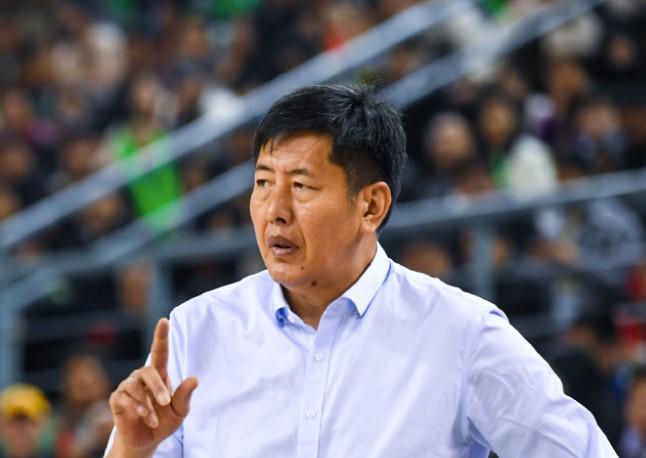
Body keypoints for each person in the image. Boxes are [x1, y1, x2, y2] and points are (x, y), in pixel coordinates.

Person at [105, 84, 618, 457]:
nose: (274, 210)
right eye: (263, 183)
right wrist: (131, 449)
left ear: (371, 206)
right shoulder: (195, 330)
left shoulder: (462, 333)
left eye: (301, 186)